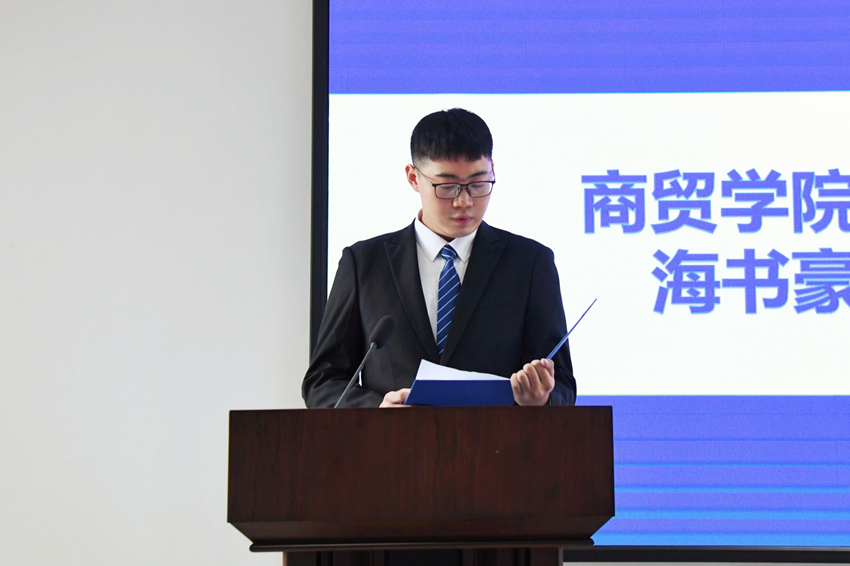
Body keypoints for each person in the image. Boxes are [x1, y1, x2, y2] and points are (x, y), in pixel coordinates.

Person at [303, 108, 576, 408]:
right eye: (447, 187)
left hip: (497, 438)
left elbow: (562, 383)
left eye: (478, 184)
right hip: (392, 439)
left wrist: (541, 399)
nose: (464, 201)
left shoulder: (530, 263)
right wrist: (376, 408)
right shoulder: (364, 264)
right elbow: (322, 382)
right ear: (413, 177)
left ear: (493, 171)